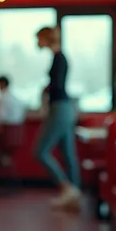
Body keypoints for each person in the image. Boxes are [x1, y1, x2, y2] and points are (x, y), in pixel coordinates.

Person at [33, 26, 81, 211]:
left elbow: (57, 86)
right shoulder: (60, 57)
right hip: (65, 108)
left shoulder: (58, 58)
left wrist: (45, 91)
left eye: (38, 39)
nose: (37, 43)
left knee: (40, 151)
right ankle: (74, 193)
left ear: (45, 38)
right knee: (68, 154)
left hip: (60, 108)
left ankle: (66, 188)